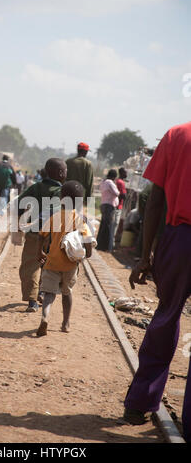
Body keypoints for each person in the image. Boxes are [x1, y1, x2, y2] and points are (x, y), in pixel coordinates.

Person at [123, 121, 191, 443]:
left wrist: (145, 256)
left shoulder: (177, 135)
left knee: (167, 317)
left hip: (178, 242)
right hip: (179, 238)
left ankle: (139, 402)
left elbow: (155, 202)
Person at [36, 180, 93, 336]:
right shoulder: (80, 219)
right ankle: (65, 323)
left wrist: (39, 252)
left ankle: (45, 318)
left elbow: (41, 236)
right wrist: (88, 254)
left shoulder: (54, 217)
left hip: (52, 262)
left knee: (49, 294)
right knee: (67, 293)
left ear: (61, 197)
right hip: (70, 265)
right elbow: (88, 241)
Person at [17, 158, 67, 312]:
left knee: (30, 266)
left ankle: (32, 301)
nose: (66, 173)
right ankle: (42, 292)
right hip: (54, 236)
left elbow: (20, 203)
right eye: (65, 171)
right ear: (60, 173)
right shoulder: (63, 192)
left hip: (34, 233)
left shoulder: (36, 187)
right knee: (48, 266)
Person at [96, 169, 119, 252]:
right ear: (114, 176)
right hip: (109, 205)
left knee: (103, 224)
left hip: (103, 204)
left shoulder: (104, 182)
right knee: (108, 226)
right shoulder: (110, 182)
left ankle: (99, 244)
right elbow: (116, 193)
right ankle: (105, 246)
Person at [113, 167, 127, 246]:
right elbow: (123, 195)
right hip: (119, 206)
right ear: (122, 173)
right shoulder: (121, 182)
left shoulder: (116, 181)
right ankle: (112, 242)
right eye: (125, 173)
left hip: (115, 204)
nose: (126, 174)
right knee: (115, 224)